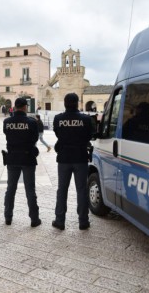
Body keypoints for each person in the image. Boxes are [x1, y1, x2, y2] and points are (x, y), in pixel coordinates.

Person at [52, 93, 94, 231]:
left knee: (62, 190)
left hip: (64, 158)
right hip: (80, 157)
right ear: (78, 103)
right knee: (81, 190)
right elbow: (90, 135)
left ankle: (60, 221)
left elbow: (58, 134)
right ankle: (83, 221)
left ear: (64, 103)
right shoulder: (86, 119)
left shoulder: (58, 119)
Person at [3, 98, 41, 227]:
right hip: (27, 157)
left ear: (15, 106)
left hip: (12, 158)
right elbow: (35, 138)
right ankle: (34, 219)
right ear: (25, 107)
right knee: (30, 189)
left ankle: (8, 217)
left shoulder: (7, 122)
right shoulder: (31, 122)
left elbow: (6, 134)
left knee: (10, 188)